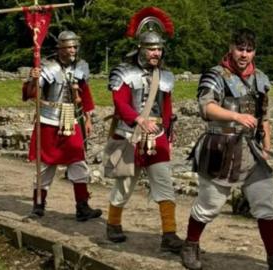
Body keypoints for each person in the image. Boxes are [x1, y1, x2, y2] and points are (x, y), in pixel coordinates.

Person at [181, 28, 273, 270]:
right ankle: (190, 245)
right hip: (220, 148)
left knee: (266, 206)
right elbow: (206, 108)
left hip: (251, 150)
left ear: (255, 52)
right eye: (240, 49)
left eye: (249, 50)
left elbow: (264, 116)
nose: (244, 54)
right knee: (209, 205)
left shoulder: (260, 78)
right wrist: (236, 115)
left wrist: (266, 146)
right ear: (231, 47)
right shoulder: (216, 75)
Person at [104, 7, 183, 253]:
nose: (156, 53)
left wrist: (168, 132)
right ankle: (113, 224)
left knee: (164, 183)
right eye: (151, 49)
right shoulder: (124, 72)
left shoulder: (166, 76)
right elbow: (120, 103)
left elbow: (166, 108)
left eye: (159, 49)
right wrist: (138, 119)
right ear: (141, 48)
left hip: (156, 135)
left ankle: (169, 234)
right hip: (129, 135)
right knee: (125, 184)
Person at [23, 30, 102, 221]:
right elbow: (31, 94)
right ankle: (38, 207)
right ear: (60, 49)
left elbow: (85, 94)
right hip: (49, 120)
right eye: (69, 47)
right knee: (45, 165)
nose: (73, 50)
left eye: (75, 46)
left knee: (78, 163)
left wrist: (88, 118)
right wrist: (34, 78)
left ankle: (82, 207)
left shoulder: (81, 67)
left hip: (73, 120)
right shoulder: (47, 67)